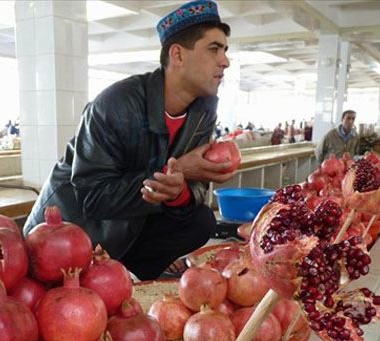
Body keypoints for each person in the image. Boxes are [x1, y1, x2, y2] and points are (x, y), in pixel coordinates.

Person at [22, 0, 234, 281]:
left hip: (131, 218)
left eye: (225, 51)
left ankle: (126, 274)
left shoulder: (203, 109)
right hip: (74, 229)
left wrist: (177, 189)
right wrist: (176, 171)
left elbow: (193, 187)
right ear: (178, 56)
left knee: (201, 222)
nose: (225, 61)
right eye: (214, 49)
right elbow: (91, 197)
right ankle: (102, 275)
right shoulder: (116, 104)